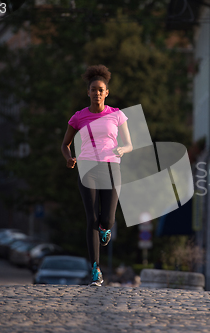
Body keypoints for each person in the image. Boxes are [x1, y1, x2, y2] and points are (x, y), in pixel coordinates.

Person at [61, 65, 133, 286]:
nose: (97, 93)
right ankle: (96, 269)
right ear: (88, 92)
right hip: (87, 168)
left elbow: (129, 143)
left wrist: (122, 149)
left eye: (101, 89)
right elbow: (65, 144)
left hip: (111, 167)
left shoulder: (117, 115)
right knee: (91, 218)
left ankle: (106, 229)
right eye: (93, 89)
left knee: (107, 219)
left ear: (106, 92)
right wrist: (69, 158)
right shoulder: (78, 117)